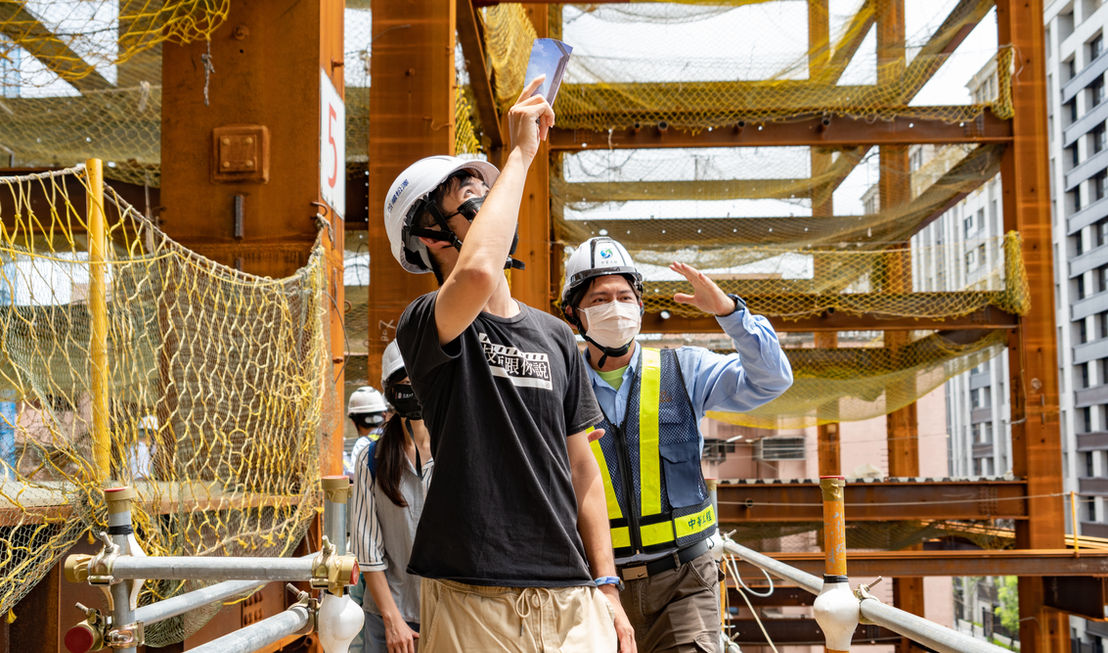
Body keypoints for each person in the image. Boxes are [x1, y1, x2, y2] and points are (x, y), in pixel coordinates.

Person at [383, 77, 634, 652]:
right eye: (475, 200)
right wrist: (520, 152)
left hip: (570, 592)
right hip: (473, 592)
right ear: (431, 236)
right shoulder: (425, 323)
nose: (498, 206)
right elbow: (475, 274)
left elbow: (583, 469)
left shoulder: (556, 336)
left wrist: (607, 585)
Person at [560, 236, 794, 653]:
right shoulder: (559, 385)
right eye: (599, 299)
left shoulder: (685, 368)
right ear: (573, 313)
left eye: (624, 297)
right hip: (594, 585)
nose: (615, 308)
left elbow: (771, 380)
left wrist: (729, 313)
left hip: (684, 580)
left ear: (640, 306)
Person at [350, 340, 432, 653]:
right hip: (389, 618)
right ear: (390, 391)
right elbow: (367, 549)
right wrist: (392, 619)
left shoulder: (459, 453)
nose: (414, 388)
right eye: (404, 381)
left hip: (450, 613)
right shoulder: (372, 459)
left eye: (420, 378)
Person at [344, 386, 389, 477]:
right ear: (384, 415)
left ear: (354, 422)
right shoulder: (396, 438)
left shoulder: (361, 444)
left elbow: (354, 477)